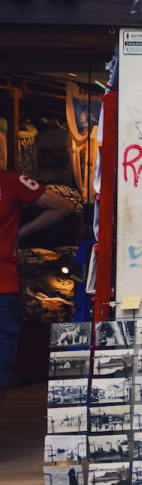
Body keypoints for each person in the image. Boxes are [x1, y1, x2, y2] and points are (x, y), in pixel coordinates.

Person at [1, 171, 74, 413]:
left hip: (3, 288)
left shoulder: (10, 181)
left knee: (1, 368)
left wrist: (21, 233)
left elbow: (63, 206)